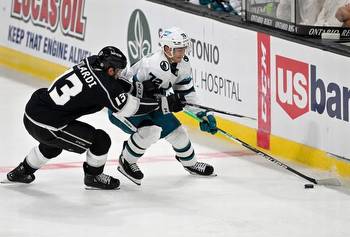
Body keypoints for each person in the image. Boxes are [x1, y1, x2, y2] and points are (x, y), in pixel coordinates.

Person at [6, 46, 184, 190]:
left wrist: (141, 88)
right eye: (118, 71)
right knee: (100, 140)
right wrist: (163, 104)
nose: (120, 74)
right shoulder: (104, 87)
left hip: (34, 110)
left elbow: (113, 84)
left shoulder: (92, 61)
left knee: (54, 145)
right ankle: (93, 176)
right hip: (47, 124)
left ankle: (24, 170)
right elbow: (129, 108)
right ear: (110, 69)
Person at [108, 27, 218, 185]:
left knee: (178, 134)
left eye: (183, 49)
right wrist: (166, 102)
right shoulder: (153, 65)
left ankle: (190, 163)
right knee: (150, 132)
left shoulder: (182, 64)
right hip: (122, 107)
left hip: (148, 105)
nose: (182, 53)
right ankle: (127, 161)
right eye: (178, 49)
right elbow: (134, 95)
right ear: (167, 48)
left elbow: (186, 93)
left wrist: (203, 114)